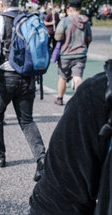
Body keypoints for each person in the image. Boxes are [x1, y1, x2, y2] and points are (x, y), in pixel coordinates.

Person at [30, 59, 112, 214]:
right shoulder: (97, 95)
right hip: (80, 57)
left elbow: (57, 201)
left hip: (67, 57)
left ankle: (60, 97)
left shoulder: (99, 96)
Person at [0, 0, 46, 182]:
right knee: (27, 120)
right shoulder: (29, 19)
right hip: (27, 76)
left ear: (2, 3)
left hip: (5, 77)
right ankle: (41, 158)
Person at [53, 0, 92, 106]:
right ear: (80, 9)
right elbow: (89, 38)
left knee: (63, 77)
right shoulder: (86, 21)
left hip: (66, 54)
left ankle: (60, 99)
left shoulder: (65, 21)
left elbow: (58, 37)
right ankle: (79, 99)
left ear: (69, 9)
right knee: (77, 77)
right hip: (81, 54)